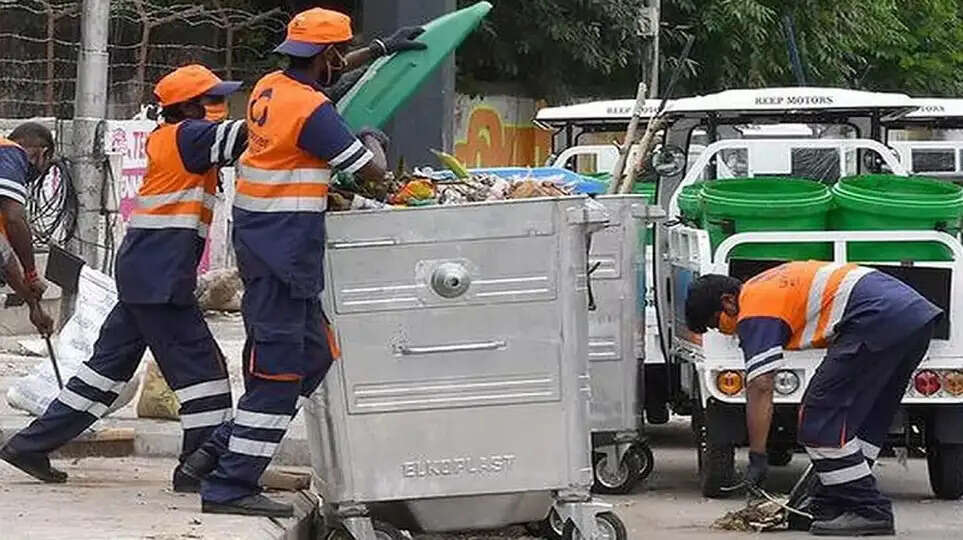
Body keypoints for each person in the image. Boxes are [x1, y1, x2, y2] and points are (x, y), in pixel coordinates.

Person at [0, 64, 247, 493]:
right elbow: (265, 127)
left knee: (104, 373)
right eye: (211, 99)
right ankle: (199, 466)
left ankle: (30, 445)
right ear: (187, 107)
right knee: (204, 372)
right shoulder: (190, 136)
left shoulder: (174, 138)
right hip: (160, 276)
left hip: (143, 271)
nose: (219, 108)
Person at [191, 8, 392, 518]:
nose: (342, 61)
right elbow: (371, 173)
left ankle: (216, 452)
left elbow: (322, 79)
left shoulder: (270, 87)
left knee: (315, 355)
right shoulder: (314, 113)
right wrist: (371, 138)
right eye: (339, 53)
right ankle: (229, 485)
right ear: (327, 56)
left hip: (271, 250)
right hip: (283, 255)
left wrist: (383, 50)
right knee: (280, 375)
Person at [684, 261, 942, 537]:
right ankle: (833, 501)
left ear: (728, 302)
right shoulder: (766, 285)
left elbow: (760, 384)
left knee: (818, 418)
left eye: (717, 324)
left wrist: (758, 455)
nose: (727, 332)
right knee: (863, 419)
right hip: (913, 318)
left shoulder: (753, 306)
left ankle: (869, 510)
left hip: (876, 318)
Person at [0, 123, 53, 302]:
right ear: (42, 153)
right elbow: (14, 219)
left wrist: (33, 306)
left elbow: (4, 255)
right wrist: (31, 275)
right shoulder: (11, 152)